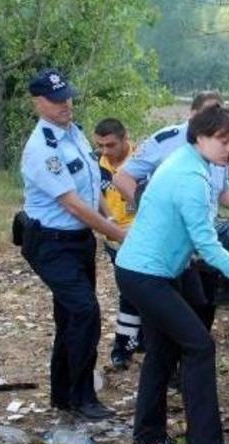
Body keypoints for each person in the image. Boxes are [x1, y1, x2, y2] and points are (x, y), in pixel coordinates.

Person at [114, 105, 229, 444]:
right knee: (199, 345)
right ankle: (204, 442)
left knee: (163, 350)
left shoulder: (190, 163)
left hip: (151, 270)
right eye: (223, 141)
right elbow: (206, 244)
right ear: (200, 137)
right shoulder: (190, 176)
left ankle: (148, 437)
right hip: (145, 274)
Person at [18, 68, 125, 421]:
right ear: (38, 102)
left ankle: (62, 394)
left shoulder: (74, 132)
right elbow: (73, 204)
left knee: (69, 316)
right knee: (84, 312)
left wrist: (111, 217)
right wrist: (117, 234)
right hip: (50, 243)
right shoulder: (41, 149)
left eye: (67, 97)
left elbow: (90, 187)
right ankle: (82, 397)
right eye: (56, 100)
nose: (65, 104)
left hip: (78, 240)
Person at [114, 91, 229, 333]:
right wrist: (152, 212)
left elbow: (223, 193)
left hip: (202, 244)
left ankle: (188, 355)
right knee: (168, 323)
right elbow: (123, 177)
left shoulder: (220, 147)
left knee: (201, 310)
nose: (214, 120)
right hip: (167, 247)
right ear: (192, 114)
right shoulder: (168, 140)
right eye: (209, 113)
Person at [93, 118, 142, 369]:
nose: (105, 151)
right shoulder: (95, 164)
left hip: (142, 239)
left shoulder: (143, 161)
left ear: (125, 139)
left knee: (138, 292)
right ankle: (127, 346)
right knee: (129, 292)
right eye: (100, 145)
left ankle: (128, 346)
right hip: (113, 240)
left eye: (110, 145)